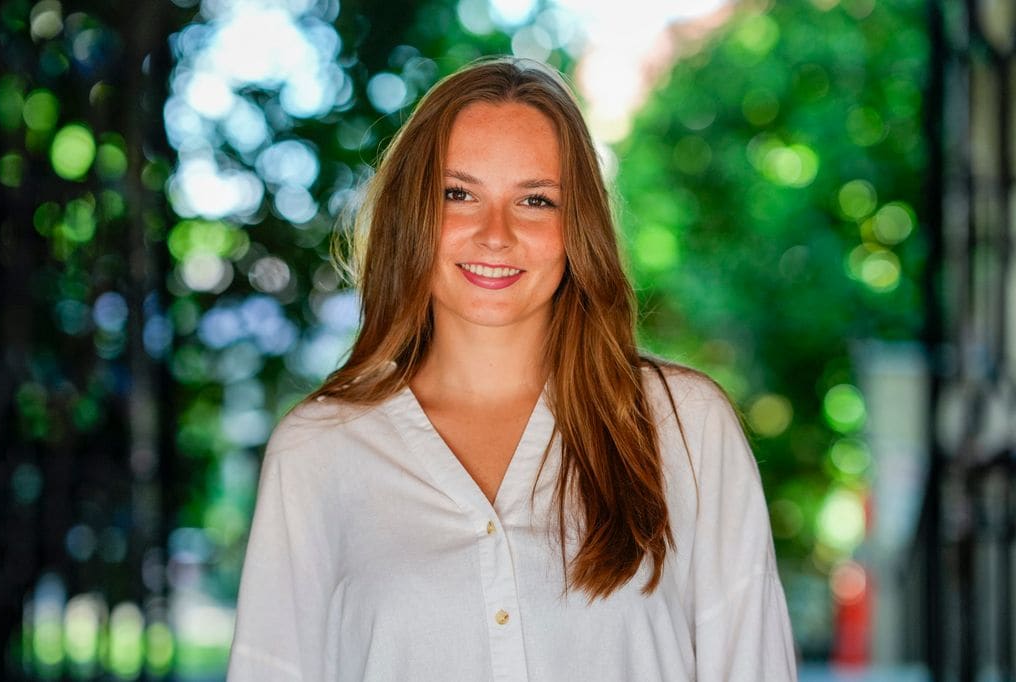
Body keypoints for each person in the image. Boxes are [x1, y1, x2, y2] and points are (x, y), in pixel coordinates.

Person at [227, 56, 797, 681]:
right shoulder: (317, 450)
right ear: (411, 213)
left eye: (535, 200)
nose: (495, 234)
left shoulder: (684, 428)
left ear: (577, 226)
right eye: (459, 194)